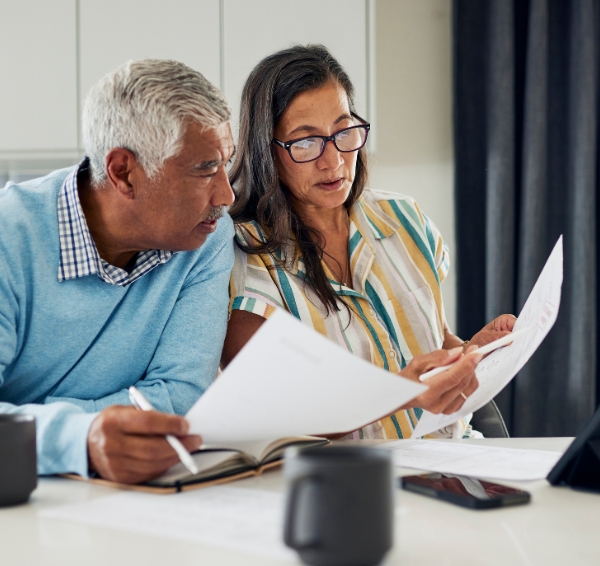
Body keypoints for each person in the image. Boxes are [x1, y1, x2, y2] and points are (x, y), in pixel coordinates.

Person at [222, 45, 515, 439]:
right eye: (305, 143)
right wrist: (402, 394)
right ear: (267, 151)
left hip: (455, 463)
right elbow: (277, 413)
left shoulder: (404, 218)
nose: (334, 161)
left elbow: (434, 337)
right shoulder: (240, 260)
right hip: (349, 485)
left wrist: (470, 353)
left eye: (343, 132)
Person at [0, 59, 236, 484]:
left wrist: (32, 426)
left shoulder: (206, 236)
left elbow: (181, 396)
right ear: (124, 173)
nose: (227, 194)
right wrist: (82, 437)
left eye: (225, 163)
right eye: (204, 169)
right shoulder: (8, 236)